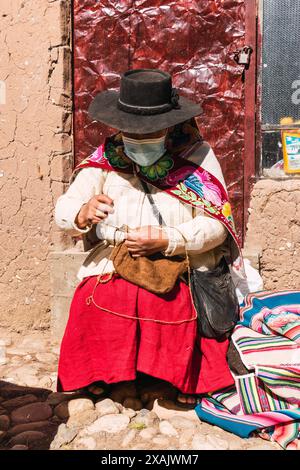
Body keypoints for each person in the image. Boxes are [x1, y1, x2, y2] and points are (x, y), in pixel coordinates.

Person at [54, 69, 244, 405]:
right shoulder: (105, 159)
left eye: (150, 132)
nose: (140, 140)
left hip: (183, 261)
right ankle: (106, 373)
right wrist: (83, 212)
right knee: (102, 300)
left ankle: (171, 377)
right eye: (132, 132)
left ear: (169, 125)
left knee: (171, 302)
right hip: (117, 259)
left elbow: (216, 226)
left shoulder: (198, 157)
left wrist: (167, 240)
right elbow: (66, 210)